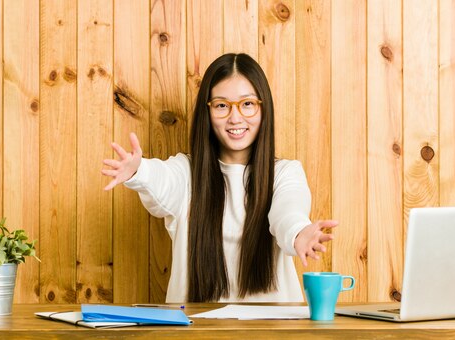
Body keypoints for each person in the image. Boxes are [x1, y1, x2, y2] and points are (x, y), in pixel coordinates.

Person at [101, 53, 338, 303]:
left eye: (247, 104)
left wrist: (298, 233)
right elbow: (162, 182)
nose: (235, 118)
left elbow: (287, 212)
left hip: (273, 330)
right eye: (222, 105)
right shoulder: (186, 173)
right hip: (196, 332)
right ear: (208, 111)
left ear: (263, 108)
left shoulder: (285, 173)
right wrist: (140, 171)